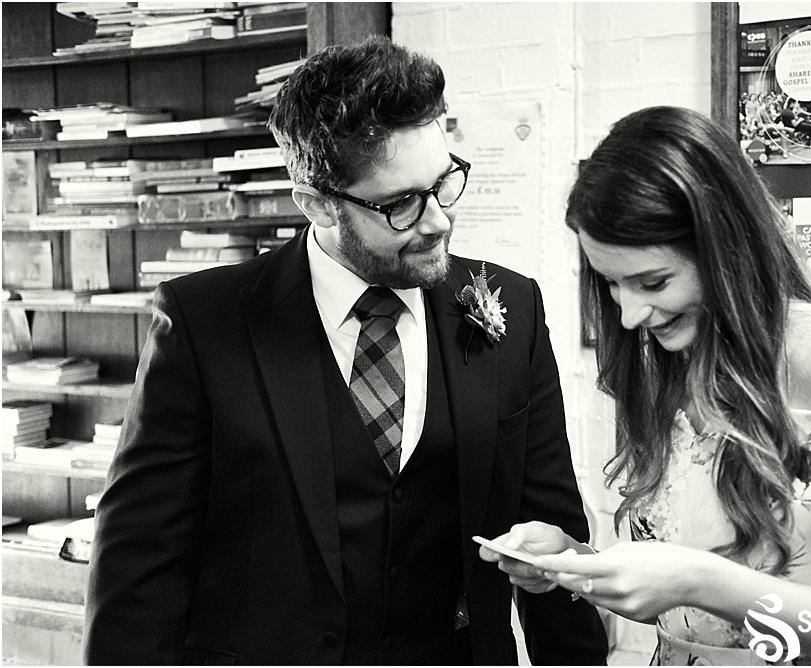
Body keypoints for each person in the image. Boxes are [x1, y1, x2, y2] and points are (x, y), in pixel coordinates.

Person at [84, 36, 607, 665]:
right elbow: (140, 566)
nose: (438, 219)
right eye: (401, 204)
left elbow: (554, 537)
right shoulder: (204, 324)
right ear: (318, 205)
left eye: (443, 183)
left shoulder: (511, 309)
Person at [479, 106, 811, 665]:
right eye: (613, 284)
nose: (629, 315)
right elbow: (688, 603)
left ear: (725, 247)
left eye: (653, 281)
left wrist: (698, 581)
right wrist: (580, 565)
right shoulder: (677, 361)